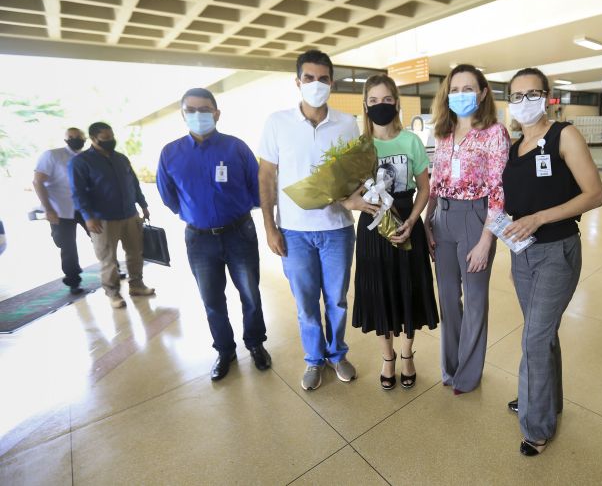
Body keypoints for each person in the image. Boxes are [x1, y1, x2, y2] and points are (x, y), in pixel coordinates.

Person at [501, 68, 602, 456]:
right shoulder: (514, 149)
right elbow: (516, 204)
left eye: (533, 93)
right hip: (523, 255)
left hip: (557, 252)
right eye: (516, 96)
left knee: (535, 338)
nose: (524, 102)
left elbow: (594, 195)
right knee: (540, 334)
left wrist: (541, 217)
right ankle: (542, 401)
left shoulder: (564, 136)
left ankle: (536, 424)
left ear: (547, 96)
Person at [258, 49, 375, 391]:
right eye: (309, 78)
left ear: (332, 83)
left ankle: (337, 354)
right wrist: (269, 227)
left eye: (323, 79)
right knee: (306, 301)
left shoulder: (346, 123)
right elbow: (266, 177)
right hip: (294, 232)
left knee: (337, 299)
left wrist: (358, 196)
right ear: (298, 82)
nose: (316, 84)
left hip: (337, 230)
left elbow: (355, 174)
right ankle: (313, 359)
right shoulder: (277, 123)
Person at [157, 88, 269, 382]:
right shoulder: (170, 153)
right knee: (212, 300)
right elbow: (168, 196)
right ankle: (225, 350)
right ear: (182, 114)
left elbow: (257, 191)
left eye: (203, 109)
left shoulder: (236, 148)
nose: (197, 115)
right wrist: (195, 213)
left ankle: (255, 343)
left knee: (251, 294)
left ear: (216, 113)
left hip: (239, 233)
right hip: (199, 239)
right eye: (190, 110)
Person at [423, 64, 510, 395]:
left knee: (474, 300)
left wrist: (487, 240)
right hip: (442, 218)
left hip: (477, 218)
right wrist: (428, 224)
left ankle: (468, 375)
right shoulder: (443, 134)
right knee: (447, 298)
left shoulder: (494, 133)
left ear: (483, 93)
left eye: (468, 89)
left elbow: (500, 192)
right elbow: (434, 183)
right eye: (455, 89)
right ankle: (450, 366)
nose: (461, 95)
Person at [351, 74, 439, 390]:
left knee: (410, 288)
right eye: (373, 101)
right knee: (381, 290)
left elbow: (425, 188)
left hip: (407, 220)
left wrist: (413, 221)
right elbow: (349, 193)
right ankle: (387, 357)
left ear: (396, 103)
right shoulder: (360, 146)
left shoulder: (412, 141)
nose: (380, 106)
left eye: (386, 99)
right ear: (365, 105)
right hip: (374, 226)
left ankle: (407, 353)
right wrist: (359, 203)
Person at [69, 122, 154, 308]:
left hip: (129, 214)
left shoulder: (121, 159)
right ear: (93, 139)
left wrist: (143, 204)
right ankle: (113, 293)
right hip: (102, 219)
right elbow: (78, 192)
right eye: (105, 139)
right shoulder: (80, 162)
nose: (110, 141)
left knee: (135, 253)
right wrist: (88, 217)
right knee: (108, 259)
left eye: (111, 137)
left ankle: (137, 285)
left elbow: (133, 183)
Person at [33, 127, 88, 295]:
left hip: (85, 207)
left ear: (84, 138)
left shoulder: (87, 157)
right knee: (67, 246)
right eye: (71, 137)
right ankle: (73, 282)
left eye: (78, 136)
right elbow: (38, 182)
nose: (75, 139)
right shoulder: (52, 155)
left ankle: (113, 269)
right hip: (61, 209)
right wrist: (48, 209)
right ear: (65, 139)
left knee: (102, 239)